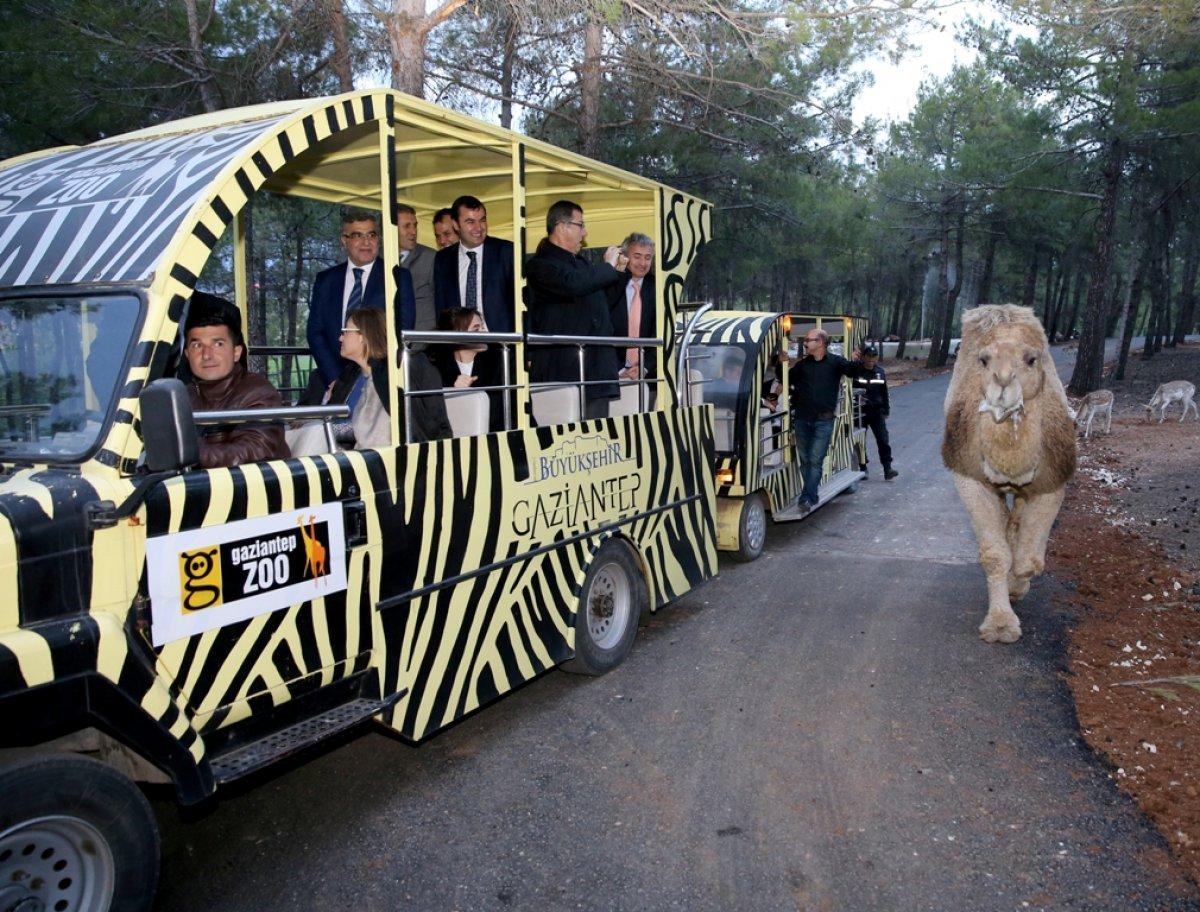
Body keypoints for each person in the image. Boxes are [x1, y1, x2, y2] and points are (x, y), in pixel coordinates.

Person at [525, 199, 625, 420]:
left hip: (595, 369)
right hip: (564, 370)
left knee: (597, 435)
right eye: (581, 225)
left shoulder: (581, 264)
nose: (585, 232)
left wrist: (618, 272)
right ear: (562, 226)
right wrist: (606, 267)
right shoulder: (541, 265)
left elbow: (602, 303)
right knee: (565, 437)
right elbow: (572, 284)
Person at [307, 210, 416, 386]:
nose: (366, 242)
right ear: (344, 241)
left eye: (371, 235)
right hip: (334, 378)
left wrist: (376, 377)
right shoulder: (326, 280)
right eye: (358, 235)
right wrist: (335, 379)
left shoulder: (397, 276)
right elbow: (315, 332)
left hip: (380, 379)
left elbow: (403, 328)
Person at [183, 292, 289, 468]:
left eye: (218, 344)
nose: (207, 355)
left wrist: (185, 454)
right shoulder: (183, 396)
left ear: (236, 352)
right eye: (197, 345)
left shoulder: (258, 392)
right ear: (187, 355)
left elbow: (255, 451)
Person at [288, 307, 392, 456]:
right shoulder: (352, 373)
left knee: (315, 431)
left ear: (363, 336)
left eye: (345, 332)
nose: (340, 338)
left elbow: (371, 433)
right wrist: (309, 421)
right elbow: (331, 413)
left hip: (358, 454)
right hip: (337, 444)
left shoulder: (384, 378)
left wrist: (324, 427)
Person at [785, 327, 868, 513]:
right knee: (805, 460)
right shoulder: (803, 365)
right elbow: (786, 378)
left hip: (823, 421)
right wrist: (782, 363)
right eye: (806, 340)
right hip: (802, 419)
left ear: (820, 342)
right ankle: (810, 493)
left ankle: (807, 497)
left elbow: (853, 371)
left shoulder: (835, 362)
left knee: (815, 459)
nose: (805, 343)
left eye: (809, 340)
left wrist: (857, 360)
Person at [432, 195, 516, 333]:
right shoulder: (443, 259)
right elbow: (442, 308)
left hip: (501, 341)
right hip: (460, 341)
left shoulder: (506, 252)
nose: (479, 228)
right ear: (456, 225)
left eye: (482, 220)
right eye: (470, 222)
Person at [429, 307, 504, 431]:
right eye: (476, 329)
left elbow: (502, 414)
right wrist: (454, 393)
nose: (485, 333)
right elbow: (434, 416)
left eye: (483, 327)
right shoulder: (436, 368)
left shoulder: (499, 360)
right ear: (457, 334)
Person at [608, 232, 657, 383]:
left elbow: (661, 332)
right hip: (612, 374)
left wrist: (645, 366)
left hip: (649, 375)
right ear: (624, 257)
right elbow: (600, 329)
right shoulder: (610, 286)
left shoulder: (657, 289)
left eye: (647, 257)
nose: (642, 263)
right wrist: (619, 369)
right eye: (637, 256)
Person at [853, 346, 898, 480]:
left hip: (876, 412)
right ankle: (862, 467)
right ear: (864, 357)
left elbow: (884, 392)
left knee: (883, 439)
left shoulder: (880, 372)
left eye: (874, 356)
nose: (871, 359)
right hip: (859, 412)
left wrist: (886, 409)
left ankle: (887, 468)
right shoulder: (855, 371)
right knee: (860, 441)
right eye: (869, 356)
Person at [396, 204, 437, 332]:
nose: (413, 232)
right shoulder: (379, 259)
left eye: (415, 225)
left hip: (423, 337)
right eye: (407, 226)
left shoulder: (431, 257)